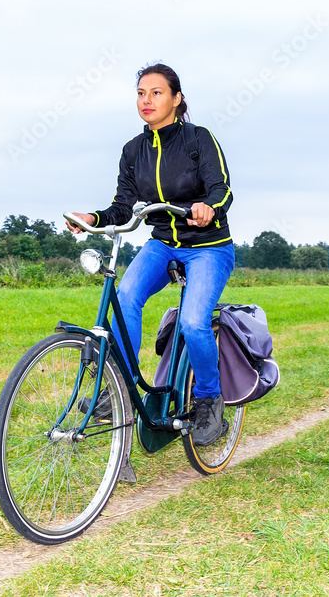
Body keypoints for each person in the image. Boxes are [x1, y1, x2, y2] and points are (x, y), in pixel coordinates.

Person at [67, 63, 235, 446]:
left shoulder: (198, 139)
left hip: (209, 247)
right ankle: (121, 388)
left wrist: (209, 206)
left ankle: (209, 399)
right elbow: (122, 207)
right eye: (141, 93)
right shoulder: (133, 150)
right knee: (125, 295)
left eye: (157, 93)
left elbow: (222, 189)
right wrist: (92, 217)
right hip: (162, 244)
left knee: (193, 323)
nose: (147, 100)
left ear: (176, 99)